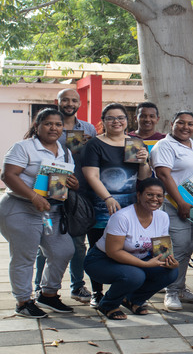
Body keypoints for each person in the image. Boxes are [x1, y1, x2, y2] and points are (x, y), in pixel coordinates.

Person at [0, 108, 79, 318]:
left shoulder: (65, 151)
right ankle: (23, 301)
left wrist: (73, 183)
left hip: (50, 212)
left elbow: (60, 182)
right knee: (24, 257)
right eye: (48, 123)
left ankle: (48, 294)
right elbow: (8, 175)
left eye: (58, 124)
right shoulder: (23, 147)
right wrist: (33, 197)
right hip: (20, 208)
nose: (54, 128)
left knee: (63, 250)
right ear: (37, 126)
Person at [82, 103, 152, 308]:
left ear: (126, 121)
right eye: (111, 118)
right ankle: (97, 292)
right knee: (99, 249)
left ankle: (124, 293)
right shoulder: (94, 144)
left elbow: (143, 177)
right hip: (101, 206)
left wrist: (144, 162)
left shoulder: (135, 143)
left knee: (127, 248)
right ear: (103, 121)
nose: (116, 122)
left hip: (130, 207)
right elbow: (91, 176)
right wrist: (107, 198)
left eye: (120, 118)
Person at [34, 89, 97, 304]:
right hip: (48, 196)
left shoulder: (88, 128)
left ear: (80, 102)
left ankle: (77, 286)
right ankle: (39, 287)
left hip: (78, 194)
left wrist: (89, 144)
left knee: (79, 244)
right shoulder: (47, 125)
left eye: (74, 100)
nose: (70, 103)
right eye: (65, 100)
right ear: (57, 102)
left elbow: (93, 157)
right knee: (46, 244)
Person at [83, 178, 179, 320]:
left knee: (170, 273)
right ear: (138, 195)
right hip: (102, 260)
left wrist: (170, 261)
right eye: (149, 195)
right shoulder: (122, 217)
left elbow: (161, 249)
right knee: (135, 275)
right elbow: (113, 251)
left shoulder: (163, 216)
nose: (155, 199)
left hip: (135, 260)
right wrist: (145, 264)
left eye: (159, 196)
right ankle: (108, 304)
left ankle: (133, 299)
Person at [151, 111, 193, 310]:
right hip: (175, 205)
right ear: (172, 124)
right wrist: (180, 203)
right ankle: (170, 291)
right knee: (177, 248)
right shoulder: (164, 145)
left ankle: (180, 287)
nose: (185, 127)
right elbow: (163, 175)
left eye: (190, 123)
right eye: (181, 123)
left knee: (189, 247)